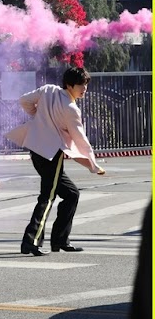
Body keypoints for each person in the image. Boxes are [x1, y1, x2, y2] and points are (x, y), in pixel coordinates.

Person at [6, 66, 106, 256]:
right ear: (69, 85)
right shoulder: (71, 109)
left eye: (85, 85)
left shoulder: (48, 90)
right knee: (48, 197)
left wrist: (37, 116)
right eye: (81, 85)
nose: (84, 89)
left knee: (71, 194)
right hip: (51, 153)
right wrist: (94, 165)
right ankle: (31, 241)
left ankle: (60, 240)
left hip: (36, 149)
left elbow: (24, 101)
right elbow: (80, 139)